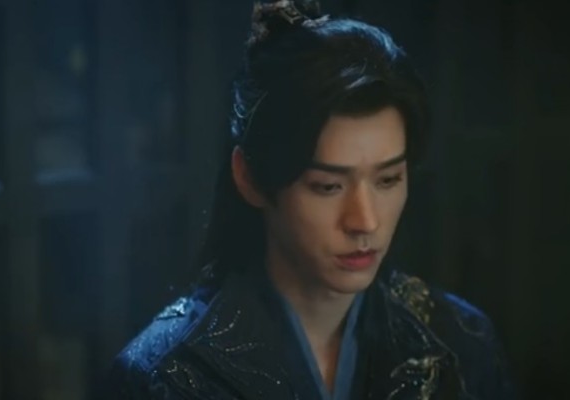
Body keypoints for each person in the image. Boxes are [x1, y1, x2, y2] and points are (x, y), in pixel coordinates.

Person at [106, 1, 518, 398]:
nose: (365, 221)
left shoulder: (459, 342)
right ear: (250, 178)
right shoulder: (166, 376)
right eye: (328, 186)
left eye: (388, 179)